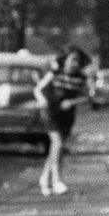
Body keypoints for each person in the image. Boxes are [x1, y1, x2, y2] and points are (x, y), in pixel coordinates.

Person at [34, 49, 86, 196]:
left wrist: (72, 101)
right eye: (72, 60)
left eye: (77, 61)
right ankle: (57, 180)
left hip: (67, 117)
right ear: (65, 60)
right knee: (57, 143)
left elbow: (87, 97)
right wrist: (42, 99)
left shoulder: (80, 78)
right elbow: (38, 89)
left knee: (57, 148)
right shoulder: (54, 74)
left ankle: (44, 178)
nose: (74, 64)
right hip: (50, 114)